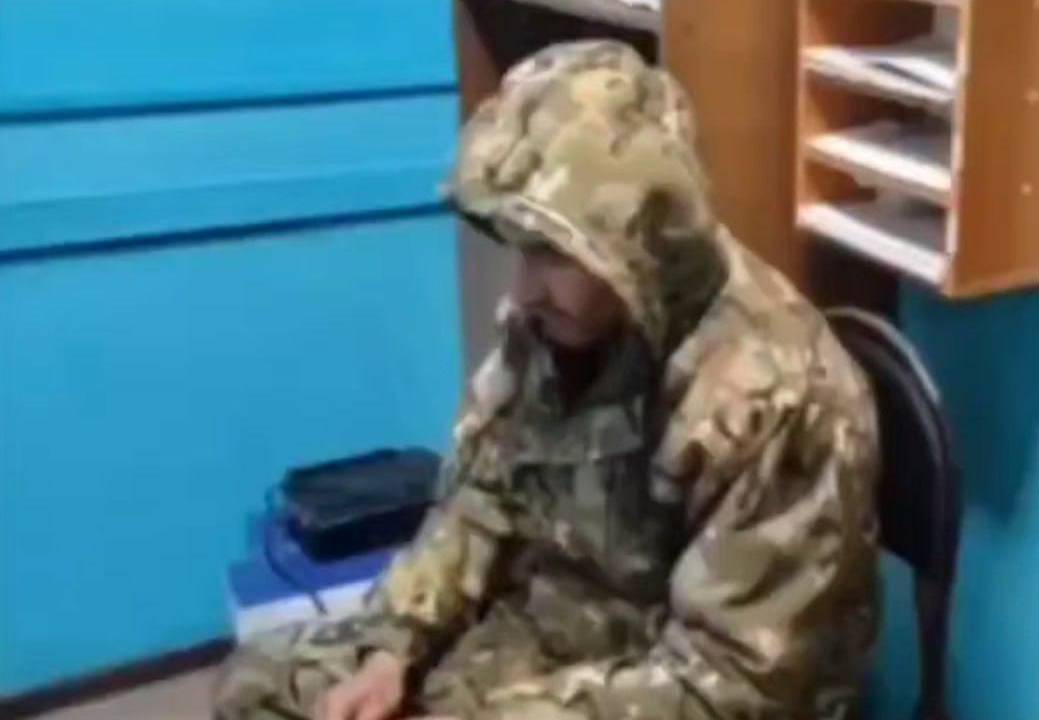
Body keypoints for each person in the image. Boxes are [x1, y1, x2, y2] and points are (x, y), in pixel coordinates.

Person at [214, 39, 880, 720]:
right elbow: (481, 494)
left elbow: (732, 685)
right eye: (520, 250)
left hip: (676, 686)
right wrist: (395, 646)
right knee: (261, 685)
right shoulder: (562, 323)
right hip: (547, 635)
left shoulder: (774, 392)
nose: (524, 291)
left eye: (552, 256)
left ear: (641, 239)